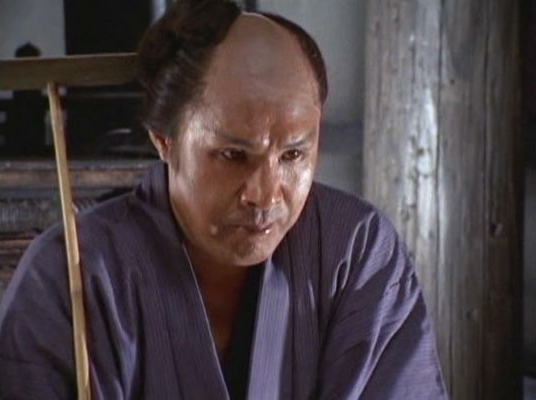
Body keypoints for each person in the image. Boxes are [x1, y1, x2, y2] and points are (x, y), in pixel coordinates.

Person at [0, 1, 447, 399]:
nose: (265, 195)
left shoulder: (356, 251)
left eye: (293, 154)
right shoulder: (71, 271)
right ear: (164, 140)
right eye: (233, 155)